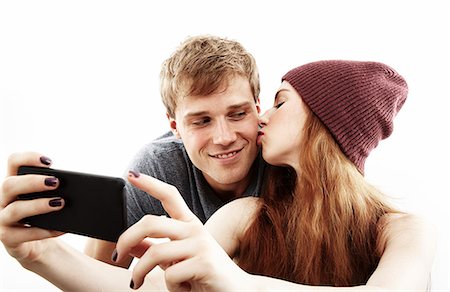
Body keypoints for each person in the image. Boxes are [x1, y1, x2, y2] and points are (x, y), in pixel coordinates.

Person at [113, 60, 436, 290]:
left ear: (324, 124)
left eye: (279, 103)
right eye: (201, 121)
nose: (262, 118)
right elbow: (148, 286)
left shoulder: (405, 229)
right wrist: (58, 253)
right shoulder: (248, 212)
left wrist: (236, 280)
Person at [0, 35, 265, 289]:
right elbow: (97, 273)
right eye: (201, 121)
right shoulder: (156, 170)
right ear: (175, 126)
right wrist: (41, 254)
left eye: (238, 114)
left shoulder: (284, 160)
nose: (224, 137)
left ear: (257, 107)